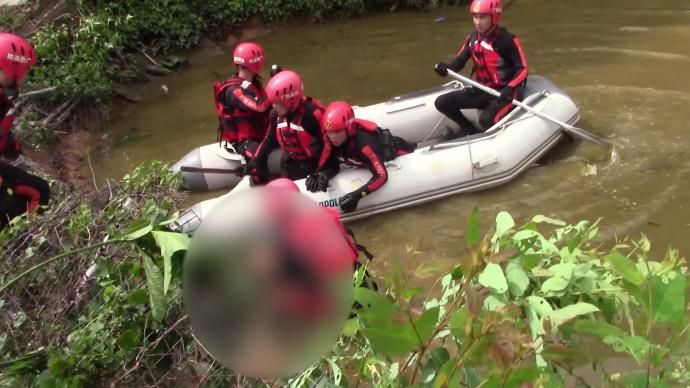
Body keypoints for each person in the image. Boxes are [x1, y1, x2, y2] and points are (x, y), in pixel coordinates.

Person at [433, 0, 528, 139]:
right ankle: (470, 130)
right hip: (482, 91)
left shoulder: (507, 40)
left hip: (505, 93)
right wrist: (446, 68)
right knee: (442, 102)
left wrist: (510, 88)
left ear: (494, 17)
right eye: (475, 16)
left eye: (483, 17)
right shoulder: (471, 39)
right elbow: (459, 62)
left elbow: (523, 69)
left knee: (486, 120)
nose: (478, 22)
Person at [305, 101, 415, 213]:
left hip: (400, 152)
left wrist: (357, 195)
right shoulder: (332, 141)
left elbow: (381, 176)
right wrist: (321, 174)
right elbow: (333, 165)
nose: (333, 137)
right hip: (361, 161)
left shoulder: (364, 146)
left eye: (337, 131)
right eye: (329, 132)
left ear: (348, 128)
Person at [244, 70, 336, 182]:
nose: (273, 106)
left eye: (276, 102)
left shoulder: (311, 115)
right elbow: (270, 139)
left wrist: (319, 172)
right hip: (290, 162)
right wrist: (254, 161)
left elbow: (328, 145)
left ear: (289, 101)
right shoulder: (275, 115)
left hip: (313, 162)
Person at [0, 32, 50, 228]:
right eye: (25, 69)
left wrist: (12, 144)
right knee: (38, 191)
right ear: (12, 68)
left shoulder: (4, 98)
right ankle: (23, 240)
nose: (26, 75)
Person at [213, 42, 271, 160]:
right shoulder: (234, 91)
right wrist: (275, 90)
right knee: (261, 158)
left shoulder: (254, 83)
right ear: (254, 64)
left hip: (261, 133)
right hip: (245, 141)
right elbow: (259, 107)